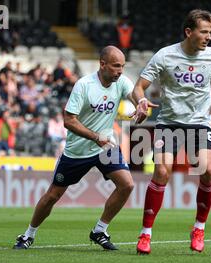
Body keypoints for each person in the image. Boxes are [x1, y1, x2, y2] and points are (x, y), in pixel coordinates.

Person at [13, 46, 136, 250]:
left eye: (122, 66)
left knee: (127, 185)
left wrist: (140, 102)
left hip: (105, 147)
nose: (120, 70)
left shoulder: (121, 82)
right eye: (116, 66)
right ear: (102, 64)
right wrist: (95, 137)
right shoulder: (84, 85)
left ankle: (100, 230)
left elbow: (134, 94)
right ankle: (28, 235)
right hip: (77, 151)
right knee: (53, 195)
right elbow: (69, 121)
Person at [132, 9, 211, 254]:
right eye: (204, 32)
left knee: (209, 170)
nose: (208, 37)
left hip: (200, 123)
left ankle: (199, 228)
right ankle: (145, 234)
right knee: (161, 172)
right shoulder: (165, 56)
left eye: (210, 33)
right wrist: (140, 101)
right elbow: (138, 87)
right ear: (188, 32)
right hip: (169, 123)